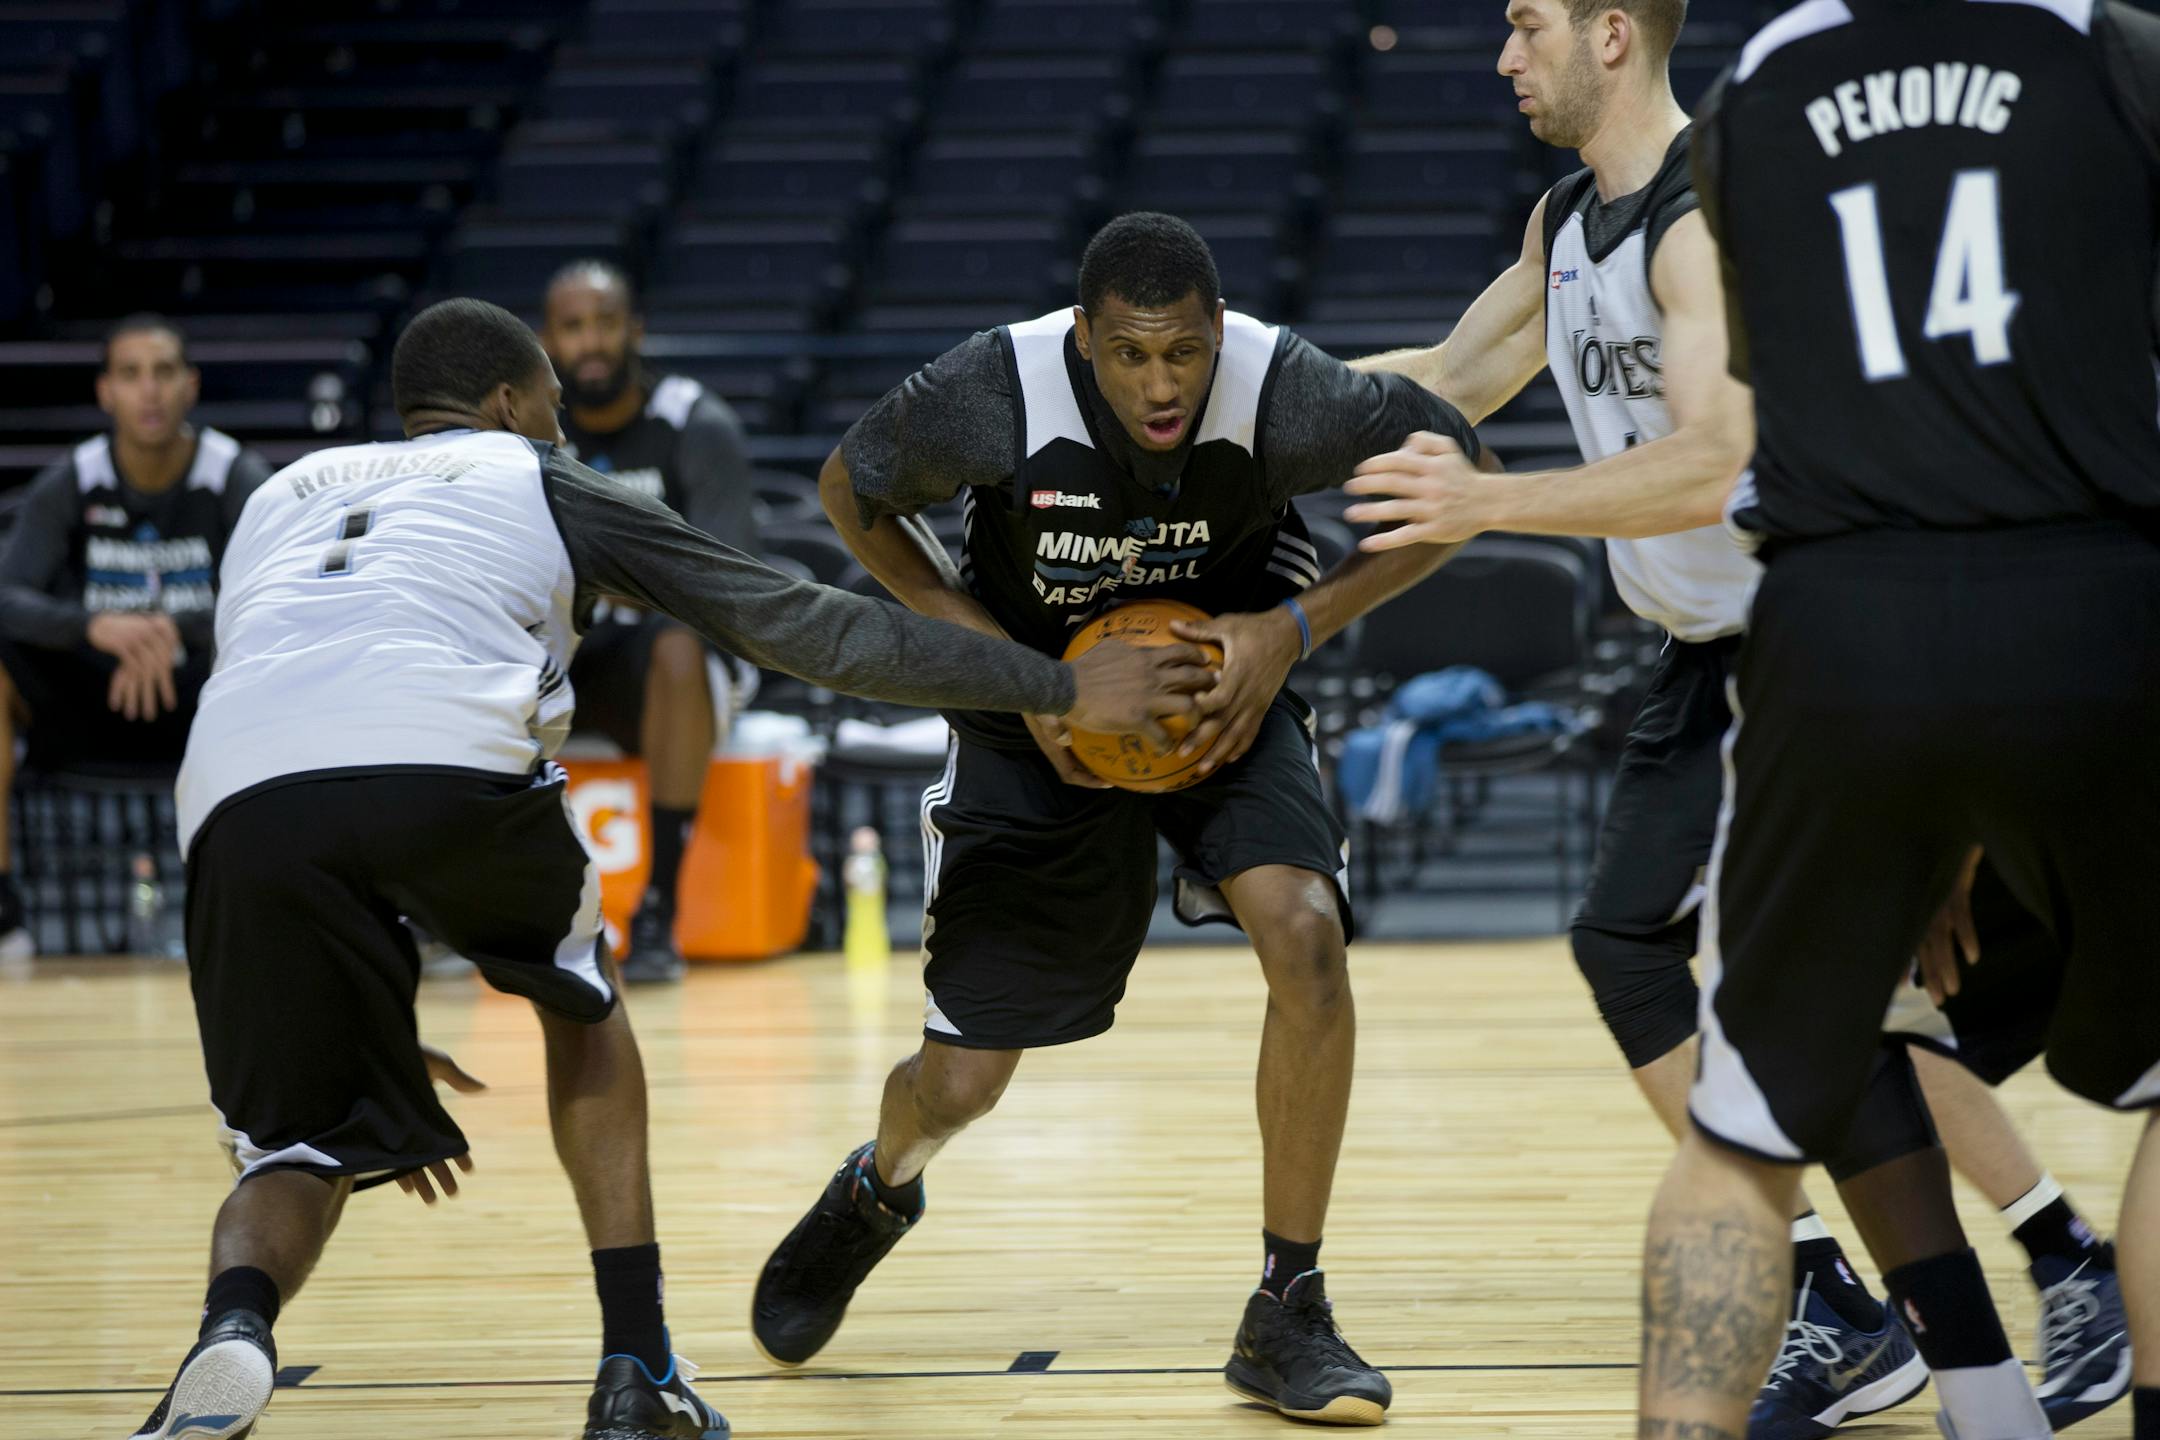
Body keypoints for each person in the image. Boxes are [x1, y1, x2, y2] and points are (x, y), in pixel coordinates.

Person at [128, 297, 1210, 1440]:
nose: (563, 426)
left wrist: (365, 995)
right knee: (581, 1010)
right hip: (444, 753)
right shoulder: (530, 475)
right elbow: (804, 624)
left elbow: (313, 733)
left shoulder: (271, 499)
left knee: (295, 1143)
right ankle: (637, 1364)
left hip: (236, 800)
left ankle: (233, 1331)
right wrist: (1055, 685)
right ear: (508, 405)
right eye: (549, 403)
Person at [1346, 0, 2125, 1430]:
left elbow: (1721, 460)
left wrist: (1495, 502)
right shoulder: (1567, 221)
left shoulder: (1716, 204)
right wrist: (1245, 381)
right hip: (1702, 658)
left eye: (1527, 28)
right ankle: (1914, 1294)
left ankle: (2013, 1275)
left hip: (1806, 641)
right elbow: (1455, 381)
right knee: (1656, 953)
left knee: (1844, 1003)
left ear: (1616, 36)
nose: (1504, 58)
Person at [748, 211, 1485, 1427]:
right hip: (1031, 711)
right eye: (1133, 355)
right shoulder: (992, 387)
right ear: (1086, 339)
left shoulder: (1284, 385)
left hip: (1217, 692)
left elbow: (1469, 483)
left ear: (1217, 333)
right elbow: (851, 490)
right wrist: (1009, 675)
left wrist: (1288, 630)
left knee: (1304, 935)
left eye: (1184, 354)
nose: (1162, 385)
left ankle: (1284, 1303)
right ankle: (880, 1186)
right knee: (965, 1081)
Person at [1626, 0, 2160, 1435]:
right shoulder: (2111, 50)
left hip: (1840, 623)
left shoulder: (1756, 93)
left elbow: (1735, 407)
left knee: (1739, 1139)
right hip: (2094, 603)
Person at [0, 315, 271, 958]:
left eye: (163, 372)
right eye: (130, 374)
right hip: (97, 698)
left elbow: (277, 594)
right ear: (106, 393)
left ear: (190, 386)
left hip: (206, 706)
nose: (148, 390)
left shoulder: (234, 474)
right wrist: (94, 626)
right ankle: (3, 904)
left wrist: (169, 633)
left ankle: (295, 896)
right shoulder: (74, 479)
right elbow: (7, 598)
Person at [540, 260, 758, 983]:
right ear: (547, 342)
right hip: (582, 649)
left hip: (692, 657)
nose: (591, 342)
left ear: (634, 330)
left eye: (605, 323)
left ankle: (659, 905)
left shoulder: (695, 421)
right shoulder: (534, 437)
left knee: (673, 647)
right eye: (573, 327)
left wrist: (617, 580)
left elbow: (721, 581)